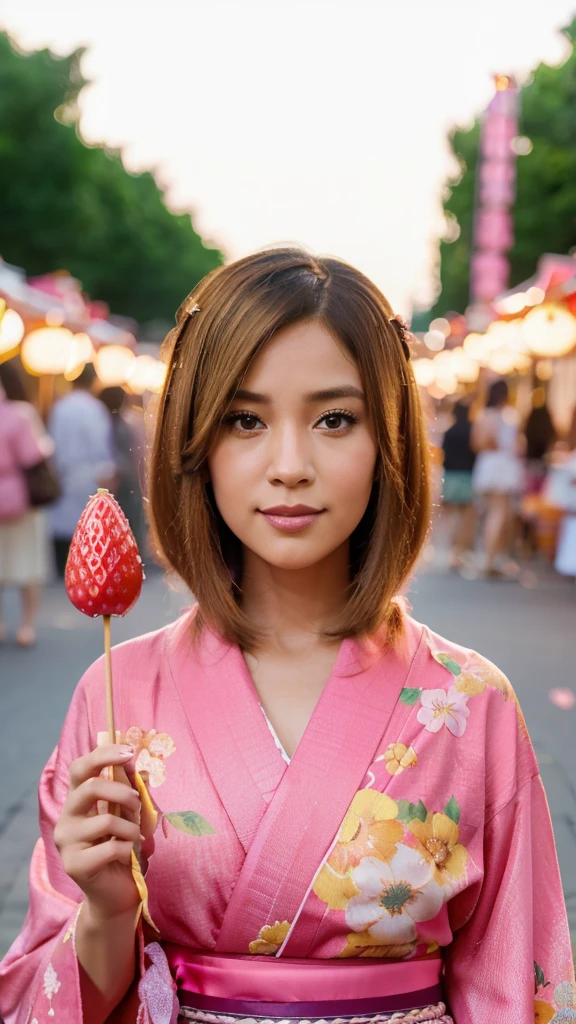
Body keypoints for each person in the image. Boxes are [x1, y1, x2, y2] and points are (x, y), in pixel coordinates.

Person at [0, 249, 572, 1024]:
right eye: (246, 420)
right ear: (194, 442)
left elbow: (519, 991)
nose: (291, 465)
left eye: (335, 419)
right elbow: (46, 993)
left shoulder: (470, 703)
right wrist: (104, 915)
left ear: (388, 441)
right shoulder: (116, 694)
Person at [0, 360, 54, 646]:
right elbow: (33, 455)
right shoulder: (21, 414)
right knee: (28, 563)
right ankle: (26, 625)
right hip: (21, 500)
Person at [47, 363, 117, 576]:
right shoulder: (94, 408)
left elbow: (53, 442)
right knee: (88, 526)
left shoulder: (60, 407)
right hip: (90, 473)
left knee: (64, 524)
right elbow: (100, 445)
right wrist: (107, 472)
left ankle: (64, 570)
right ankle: (84, 572)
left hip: (63, 472)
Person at [471, 379, 523, 577]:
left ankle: (491, 557)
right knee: (499, 513)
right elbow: (501, 442)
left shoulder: (482, 415)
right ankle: (491, 559)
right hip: (501, 465)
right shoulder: (506, 417)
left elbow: (476, 443)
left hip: (487, 465)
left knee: (492, 512)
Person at [98, 386, 146, 553]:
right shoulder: (117, 422)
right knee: (127, 515)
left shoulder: (111, 421)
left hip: (121, 475)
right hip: (123, 476)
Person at [441, 400, 476, 570]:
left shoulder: (449, 432)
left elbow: (444, 457)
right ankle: (460, 552)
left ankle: (454, 553)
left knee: (453, 517)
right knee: (465, 518)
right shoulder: (472, 430)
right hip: (468, 476)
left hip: (451, 476)